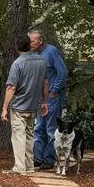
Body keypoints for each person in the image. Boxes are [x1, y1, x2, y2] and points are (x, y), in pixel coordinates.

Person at [1, 34, 49, 174]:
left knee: (18, 136)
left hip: (19, 106)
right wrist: (44, 102)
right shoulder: (42, 61)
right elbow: (45, 83)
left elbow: (11, 87)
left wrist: (4, 108)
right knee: (29, 135)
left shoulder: (18, 64)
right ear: (29, 45)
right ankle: (29, 166)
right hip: (33, 105)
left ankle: (20, 167)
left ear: (17, 48)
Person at [29, 29, 69, 169]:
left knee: (51, 129)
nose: (30, 43)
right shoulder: (34, 55)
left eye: (32, 41)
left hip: (52, 97)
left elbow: (62, 72)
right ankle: (37, 158)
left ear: (40, 41)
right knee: (38, 128)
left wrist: (54, 90)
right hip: (39, 98)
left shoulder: (52, 52)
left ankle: (49, 159)